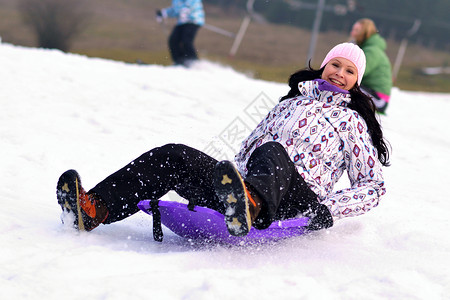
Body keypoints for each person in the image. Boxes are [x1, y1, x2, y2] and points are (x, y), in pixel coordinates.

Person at [57, 43, 390, 238]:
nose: (339, 73)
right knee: (174, 154)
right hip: (247, 194)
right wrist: (227, 182)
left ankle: (247, 203)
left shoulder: (352, 122)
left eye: (349, 71)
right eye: (335, 64)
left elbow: (373, 186)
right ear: (322, 66)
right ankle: (95, 208)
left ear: (356, 82)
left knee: (273, 152)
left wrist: (326, 212)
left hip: (297, 201)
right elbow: (247, 152)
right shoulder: (287, 105)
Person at [350, 18, 393, 114]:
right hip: (371, 93)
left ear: (365, 33)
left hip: (379, 100)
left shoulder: (372, 51)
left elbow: (359, 72)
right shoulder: (369, 48)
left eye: (356, 30)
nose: (352, 33)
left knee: (345, 85)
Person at [156, 0, 205, 67]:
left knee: (186, 41)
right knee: (173, 40)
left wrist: (184, 12)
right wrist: (163, 13)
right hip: (181, 22)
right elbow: (175, 10)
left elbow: (191, 5)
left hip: (193, 21)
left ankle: (194, 62)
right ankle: (179, 61)